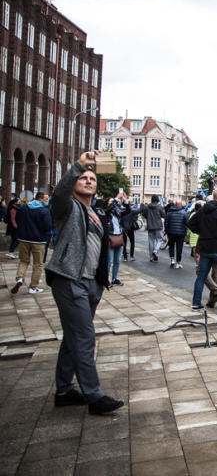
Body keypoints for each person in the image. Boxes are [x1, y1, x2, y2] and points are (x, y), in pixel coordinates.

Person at [44, 151, 124, 415]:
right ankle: (94, 396)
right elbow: (58, 194)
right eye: (83, 178)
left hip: (91, 283)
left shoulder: (94, 212)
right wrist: (78, 165)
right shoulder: (67, 208)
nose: (88, 181)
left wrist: (103, 280)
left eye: (92, 178)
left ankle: (65, 390)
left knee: (73, 337)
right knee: (85, 336)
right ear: (75, 182)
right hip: (69, 279)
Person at [187, 188, 217, 314]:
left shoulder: (203, 209)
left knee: (202, 276)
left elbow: (191, 223)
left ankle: (196, 303)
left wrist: (202, 232)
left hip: (205, 247)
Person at [11, 191, 52, 294]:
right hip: (39, 241)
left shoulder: (24, 208)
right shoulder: (44, 211)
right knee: (38, 264)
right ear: (40, 199)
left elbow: (17, 219)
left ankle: (19, 278)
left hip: (24, 239)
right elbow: (48, 226)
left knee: (24, 260)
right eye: (46, 199)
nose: (47, 201)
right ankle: (33, 287)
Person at [104, 198, 125, 287]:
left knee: (117, 260)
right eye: (111, 202)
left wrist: (126, 202)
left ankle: (114, 278)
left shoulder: (117, 213)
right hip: (111, 237)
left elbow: (127, 211)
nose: (113, 204)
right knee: (109, 261)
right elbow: (108, 210)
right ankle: (106, 279)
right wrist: (115, 201)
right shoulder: (106, 213)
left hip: (119, 236)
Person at [165, 199, 188, 269]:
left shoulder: (169, 213)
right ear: (180, 205)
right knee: (179, 248)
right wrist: (185, 230)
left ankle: (172, 259)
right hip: (180, 233)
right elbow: (187, 223)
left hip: (171, 232)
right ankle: (178, 262)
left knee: (171, 246)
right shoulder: (184, 213)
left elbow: (166, 223)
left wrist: (167, 230)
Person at [142, 195, 166, 262]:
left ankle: (151, 257)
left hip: (150, 226)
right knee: (159, 239)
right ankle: (155, 251)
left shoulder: (147, 207)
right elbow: (164, 215)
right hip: (158, 226)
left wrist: (149, 218)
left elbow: (144, 214)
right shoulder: (159, 207)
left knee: (151, 241)